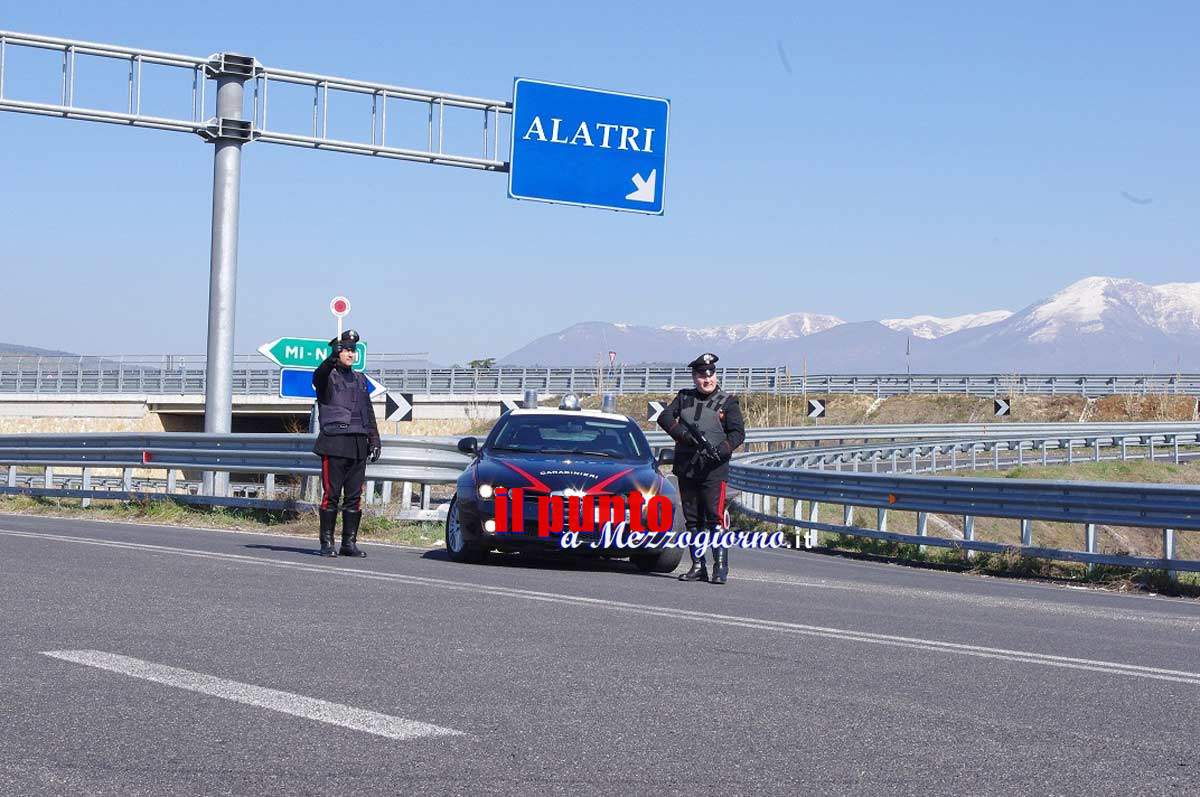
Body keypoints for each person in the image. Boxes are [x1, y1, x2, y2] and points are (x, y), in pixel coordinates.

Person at [657, 352, 745, 584]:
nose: (707, 379)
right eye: (702, 376)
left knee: (714, 519)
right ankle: (698, 566)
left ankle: (720, 567)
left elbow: (738, 434)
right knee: (693, 520)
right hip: (687, 468)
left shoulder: (728, 402)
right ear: (695, 377)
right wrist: (682, 435)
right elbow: (665, 417)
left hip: (714, 471)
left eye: (711, 374)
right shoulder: (684, 397)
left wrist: (722, 449)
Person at [312, 330, 381, 558]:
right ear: (338, 352)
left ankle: (348, 544)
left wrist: (374, 439)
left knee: (354, 496)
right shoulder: (327, 378)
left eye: (353, 350)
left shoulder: (361, 379)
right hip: (335, 443)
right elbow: (318, 376)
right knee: (331, 495)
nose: (351, 354)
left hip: (358, 444)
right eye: (347, 350)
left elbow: (367, 412)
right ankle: (327, 543)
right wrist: (330, 359)